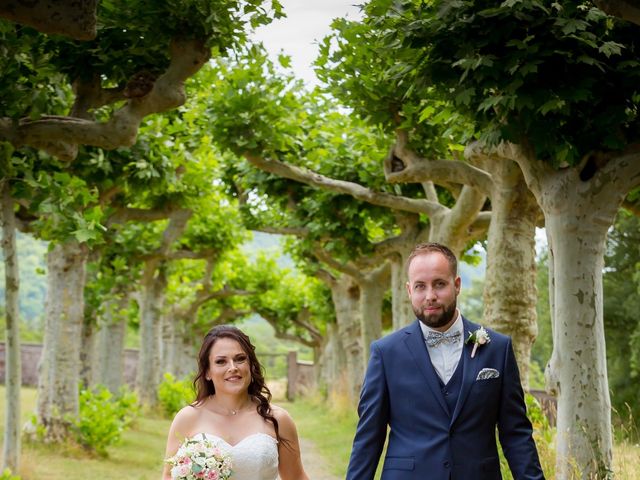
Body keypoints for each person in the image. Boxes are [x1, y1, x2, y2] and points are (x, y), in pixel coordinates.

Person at [346, 242, 545, 480]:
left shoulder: (497, 349)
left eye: (439, 284)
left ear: (457, 285)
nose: (430, 296)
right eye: (420, 286)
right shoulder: (385, 353)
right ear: (409, 291)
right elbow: (369, 438)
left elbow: (516, 434)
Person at [162, 325, 309, 480]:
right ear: (207, 372)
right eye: (221, 361)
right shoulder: (188, 418)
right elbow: (169, 476)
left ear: (251, 366)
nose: (233, 368)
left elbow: (297, 477)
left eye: (240, 359)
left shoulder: (278, 419)